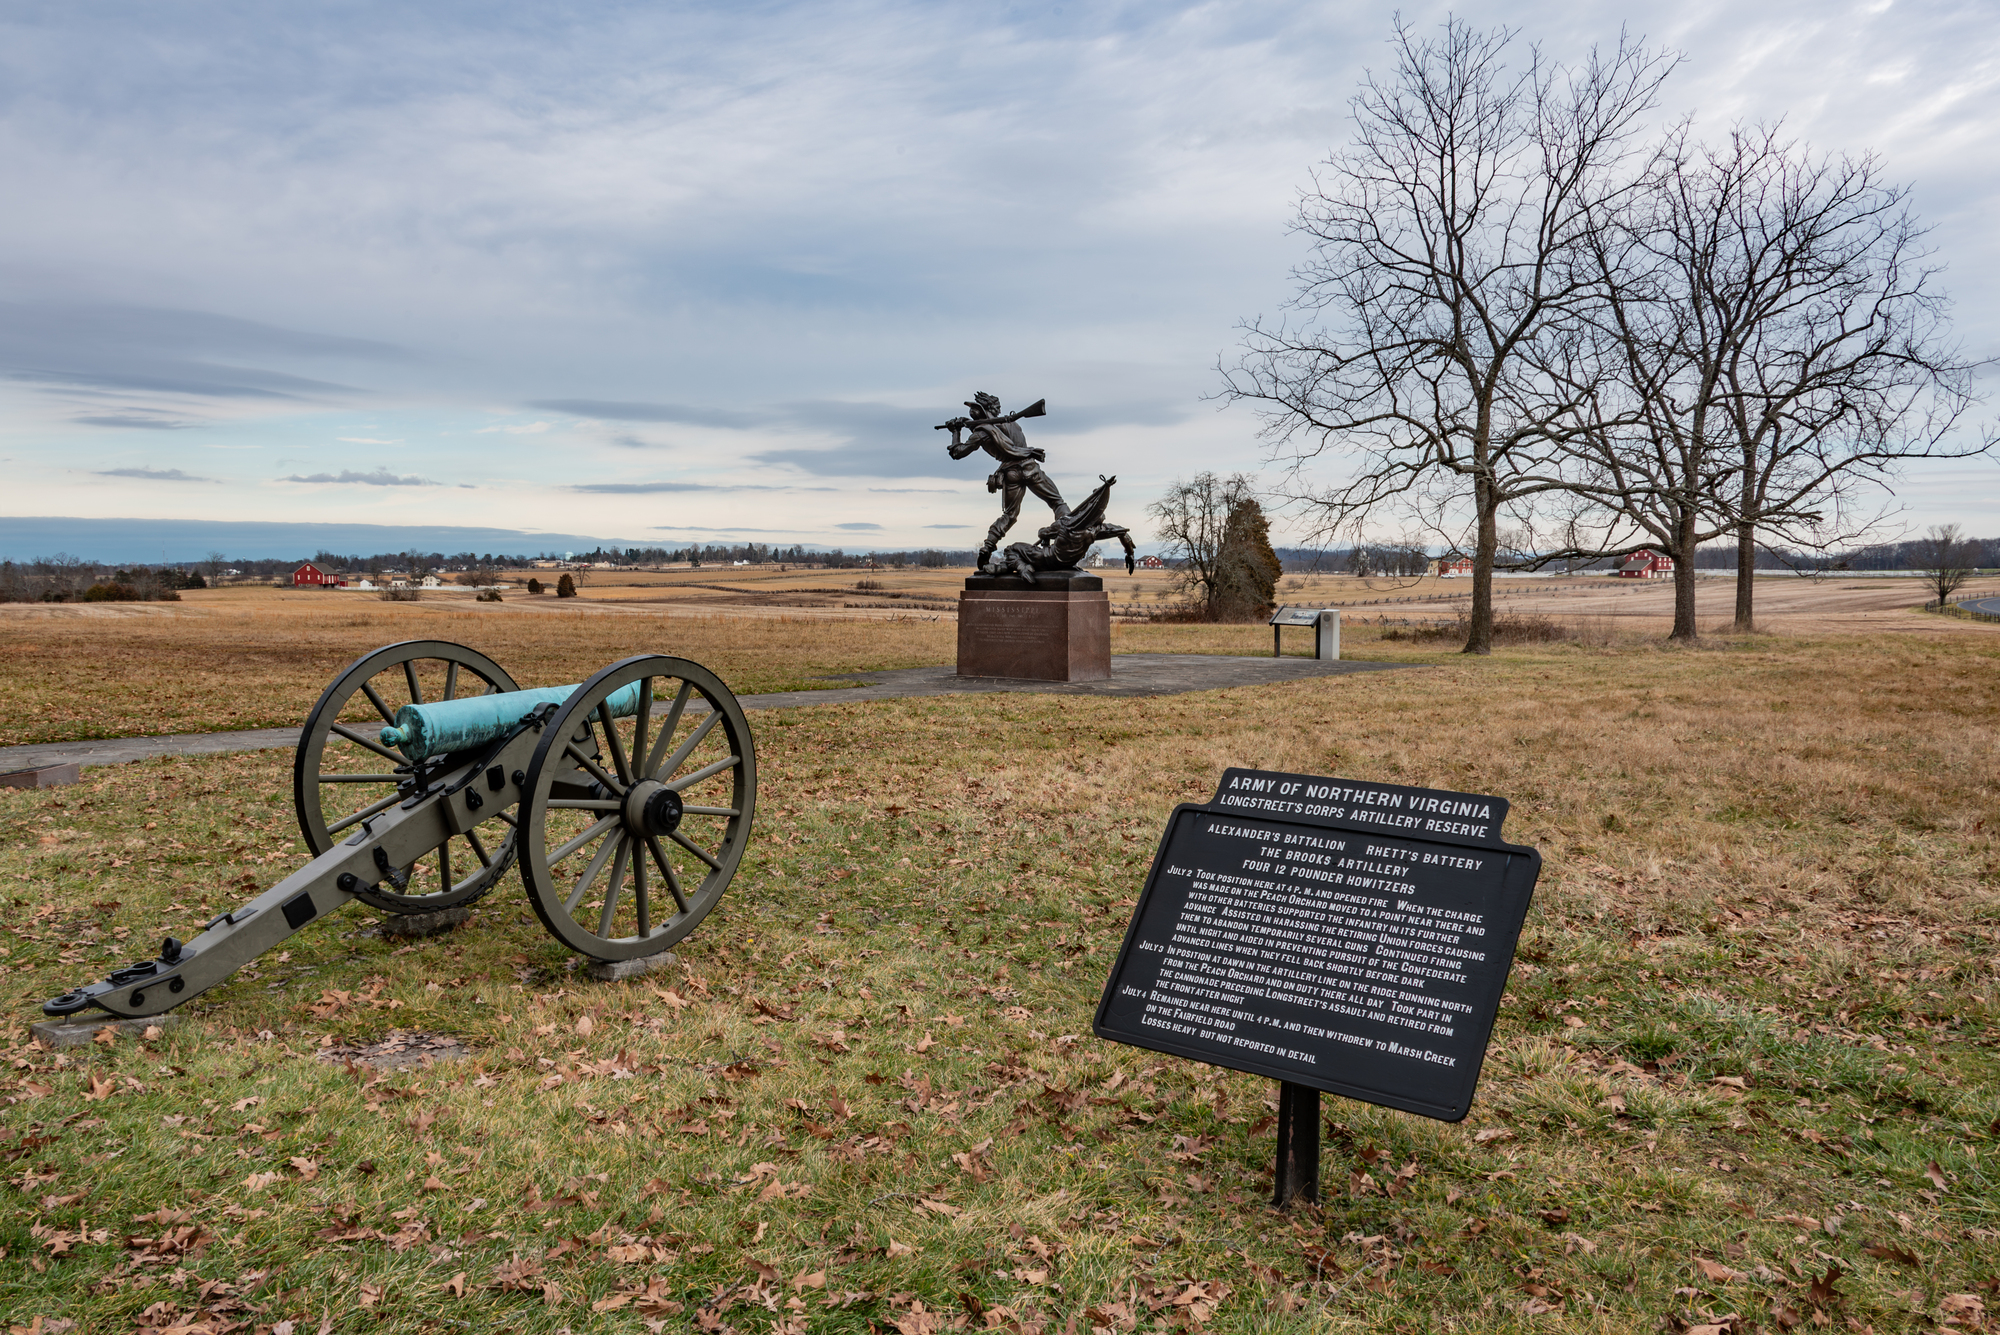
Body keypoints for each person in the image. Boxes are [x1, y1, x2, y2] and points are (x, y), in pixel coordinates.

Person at [945, 392, 1068, 570]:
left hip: (1011, 474)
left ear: (982, 411)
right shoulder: (1012, 423)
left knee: (1009, 515)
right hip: (1029, 467)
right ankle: (1069, 532)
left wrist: (955, 432)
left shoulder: (982, 432)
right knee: (1057, 502)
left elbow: (957, 453)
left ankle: (988, 546)